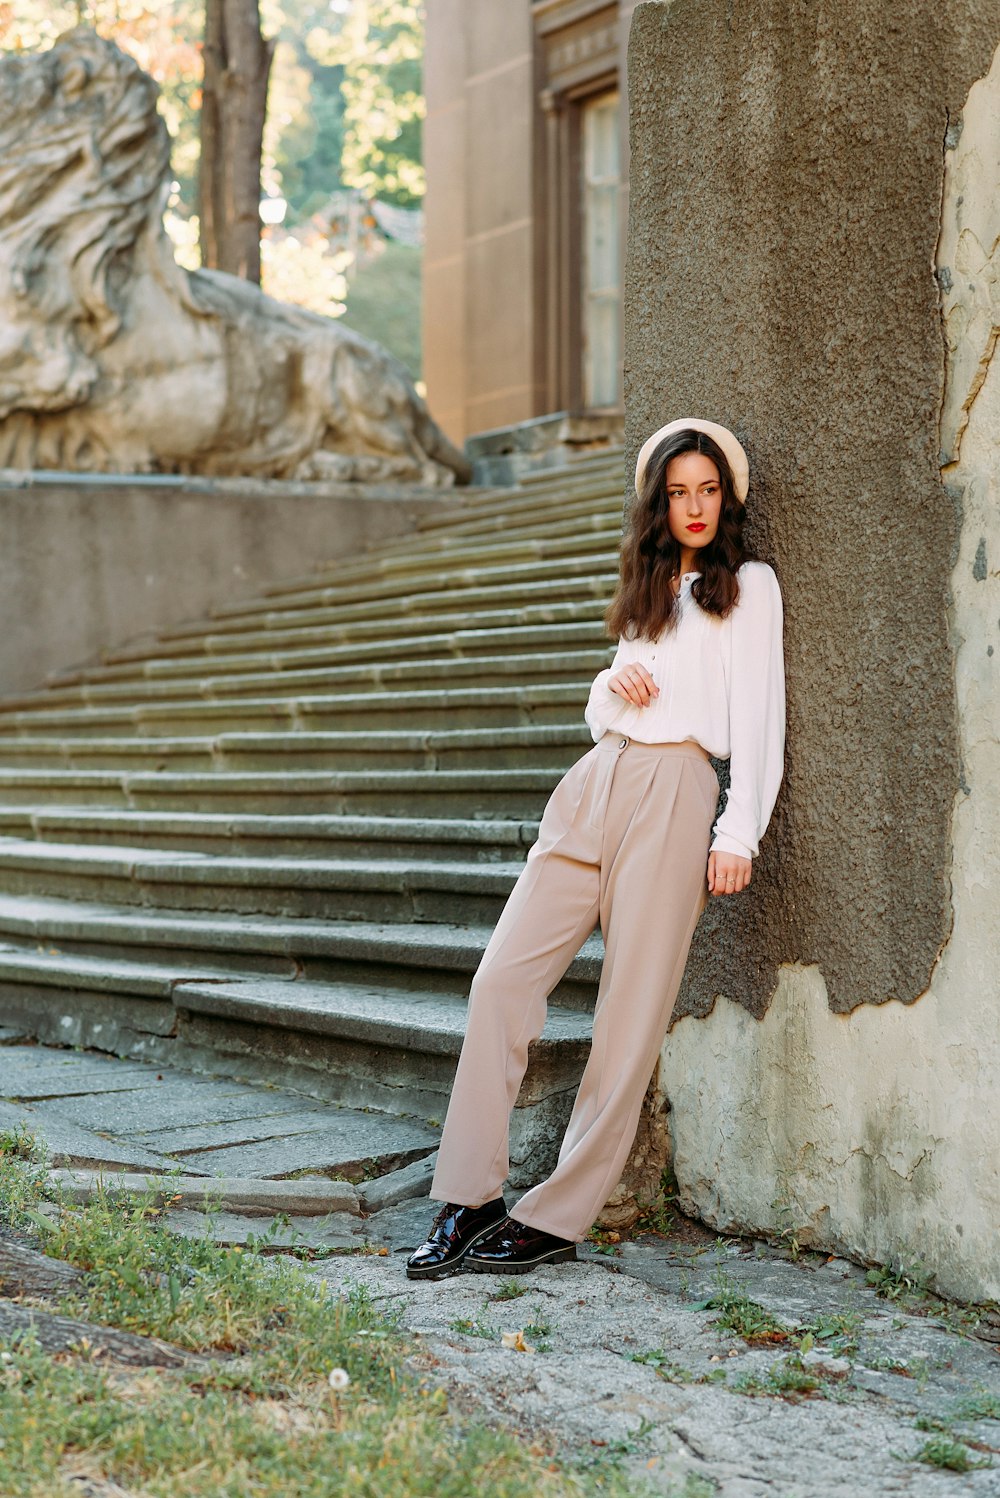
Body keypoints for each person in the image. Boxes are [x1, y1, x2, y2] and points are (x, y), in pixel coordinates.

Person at [406, 417, 786, 1280]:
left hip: (677, 793)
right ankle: (467, 1197)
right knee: (501, 979)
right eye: (679, 492)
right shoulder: (649, 585)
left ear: (726, 498)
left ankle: (556, 1217)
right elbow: (608, 707)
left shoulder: (749, 588)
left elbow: (763, 719)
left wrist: (740, 831)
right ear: (661, 502)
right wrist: (606, 686)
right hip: (594, 785)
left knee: (626, 1018)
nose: (694, 506)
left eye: (708, 490)